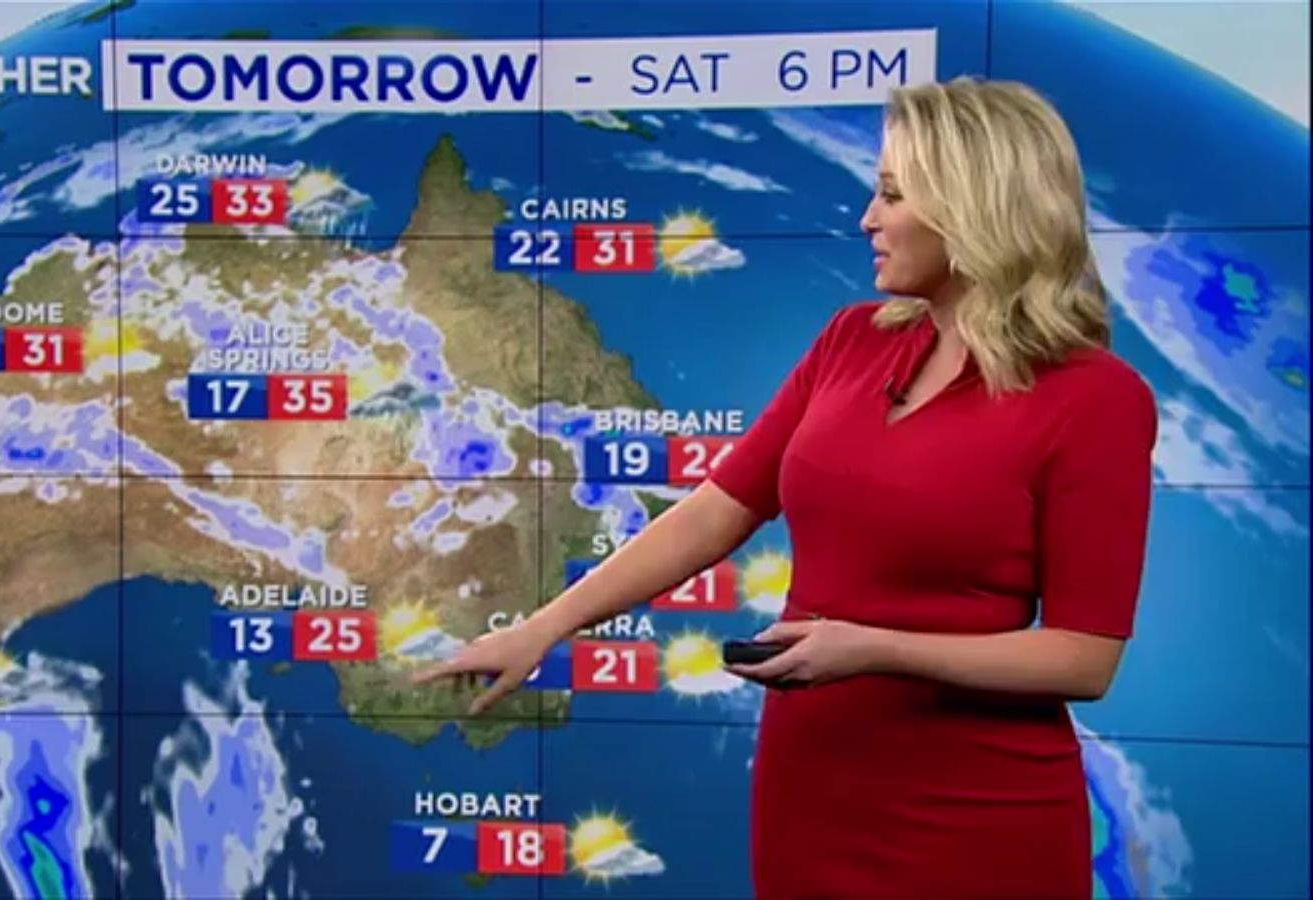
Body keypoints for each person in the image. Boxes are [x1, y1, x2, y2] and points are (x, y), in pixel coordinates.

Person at [414, 76, 1158, 899]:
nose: (868, 219)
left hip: (975, 813)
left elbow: (1083, 658)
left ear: (973, 209)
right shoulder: (852, 343)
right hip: (813, 790)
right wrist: (545, 627)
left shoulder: (1094, 399)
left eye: (892, 196)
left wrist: (875, 649)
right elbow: (714, 512)